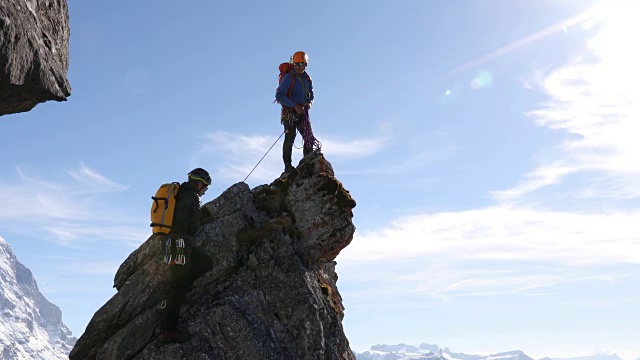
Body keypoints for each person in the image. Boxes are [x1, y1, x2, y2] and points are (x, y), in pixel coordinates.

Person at [159, 168, 212, 343]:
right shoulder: (193, 198)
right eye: (205, 186)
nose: (205, 190)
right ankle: (168, 329)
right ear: (198, 183)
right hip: (180, 244)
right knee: (180, 285)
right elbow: (193, 229)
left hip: (167, 243)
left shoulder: (178, 192)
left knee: (200, 265)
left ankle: (177, 291)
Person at [275, 50, 319, 173]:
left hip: (302, 112)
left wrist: (309, 103)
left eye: (300, 64)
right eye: (296, 64)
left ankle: (307, 162)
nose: (298, 67)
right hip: (289, 113)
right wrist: (294, 106)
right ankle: (288, 167)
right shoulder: (289, 77)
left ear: (306, 64)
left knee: (308, 137)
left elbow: (311, 95)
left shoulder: (307, 79)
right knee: (290, 137)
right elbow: (279, 96)